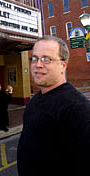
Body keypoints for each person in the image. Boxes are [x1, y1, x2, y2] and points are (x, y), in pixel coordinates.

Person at [17, 35, 90, 176]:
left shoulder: (78, 108)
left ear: (63, 65)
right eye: (34, 58)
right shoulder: (34, 101)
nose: (38, 64)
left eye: (46, 59)